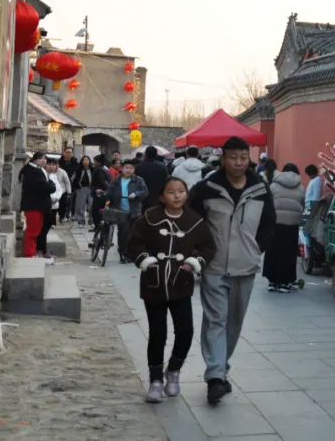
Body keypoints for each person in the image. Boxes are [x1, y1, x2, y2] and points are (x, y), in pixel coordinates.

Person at [189, 136, 276, 405]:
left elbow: (269, 223)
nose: (238, 163)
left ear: (249, 159)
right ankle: (215, 377)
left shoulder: (260, 188)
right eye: (233, 157)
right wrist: (200, 253)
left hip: (245, 266)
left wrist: (257, 249)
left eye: (243, 157)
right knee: (215, 319)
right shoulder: (206, 189)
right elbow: (193, 222)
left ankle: (220, 369)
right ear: (223, 159)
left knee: (233, 323)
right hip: (214, 266)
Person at [127, 176, 217, 403]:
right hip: (154, 284)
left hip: (180, 284)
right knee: (157, 334)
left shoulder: (194, 221)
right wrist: (146, 260)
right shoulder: (150, 218)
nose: (177, 196)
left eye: (181, 191)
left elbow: (208, 247)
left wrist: (193, 262)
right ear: (161, 196)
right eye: (171, 192)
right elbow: (134, 242)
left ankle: (174, 370)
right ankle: (156, 381)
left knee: (185, 332)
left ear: (186, 194)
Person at [265, 162, 305, 292]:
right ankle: (285, 282)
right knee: (288, 253)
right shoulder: (300, 187)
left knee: (273, 252)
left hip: (275, 223)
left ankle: (272, 282)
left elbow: (268, 203)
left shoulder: (273, 185)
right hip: (292, 224)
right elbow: (302, 204)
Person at [106, 160, 149, 263]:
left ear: (134, 170)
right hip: (120, 210)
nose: (128, 170)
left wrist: (136, 194)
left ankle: (132, 253)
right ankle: (123, 253)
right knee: (123, 233)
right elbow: (110, 192)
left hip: (134, 210)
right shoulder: (116, 180)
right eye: (126, 168)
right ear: (122, 169)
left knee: (133, 233)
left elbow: (145, 192)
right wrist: (106, 199)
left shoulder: (138, 180)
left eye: (131, 168)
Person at [19, 151, 56, 258]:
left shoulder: (36, 170)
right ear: (35, 159)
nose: (44, 161)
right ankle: (29, 253)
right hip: (33, 205)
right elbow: (46, 187)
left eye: (45, 158)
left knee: (37, 230)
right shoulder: (32, 171)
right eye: (41, 158)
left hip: (38, 206)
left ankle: (33, 251)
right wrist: (51, 183)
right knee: (32, 231)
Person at [39, 158, 66, 261]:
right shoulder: (43, 175)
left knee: (47, 227)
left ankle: (44, 250)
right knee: (43, 229)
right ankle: (41, 250)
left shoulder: (54, 176)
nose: (51, 167)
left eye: (53, 165)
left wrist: (56, 198)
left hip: (54, 205)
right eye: (49, 164)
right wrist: (52, 199)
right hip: (47, 205)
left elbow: (59, 189)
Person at [90, 153, 111, 236]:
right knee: (102, 210)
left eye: (95, 161)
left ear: (98, 162)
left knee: (96, 211)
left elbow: (102, 182)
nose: (94, 163)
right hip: (106, 195)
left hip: (100, 195)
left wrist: (98, 190)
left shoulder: (99, 171)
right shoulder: (105, 169)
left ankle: (98, 226)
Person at [72, 155, 94, 226]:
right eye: (84, 160)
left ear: (89, 161)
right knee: (80, 206)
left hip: (91, 189)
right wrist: (77, 186)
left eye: (87, 160)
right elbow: (73, 179)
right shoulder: (78, 170)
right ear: (82, 161)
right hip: (81, 189)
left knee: (91, 205)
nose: (85, 162)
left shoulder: (93, 169)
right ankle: (81, 221)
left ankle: (91, 221)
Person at [58, 147, 78, 221]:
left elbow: (76, 173)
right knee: (62, 201)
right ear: (64, 153)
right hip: (61, 184)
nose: (68, 154)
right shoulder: (59, 162)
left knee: (70, 201)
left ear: (72, 154)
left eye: (70, 152)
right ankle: (62, 215)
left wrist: (71, 180)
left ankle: (69, 215)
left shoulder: (75, 163)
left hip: (71, 184)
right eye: (67, 152)